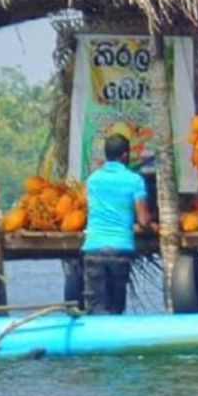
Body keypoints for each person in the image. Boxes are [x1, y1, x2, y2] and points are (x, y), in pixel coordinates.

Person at [81, 134, 156, 314]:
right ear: (124, 156)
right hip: (119, 249)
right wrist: (153, 226)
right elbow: (143, 220)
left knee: (95, 307)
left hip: (93, 247)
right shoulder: (134, 180)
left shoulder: (93, 180)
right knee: (115, 307)